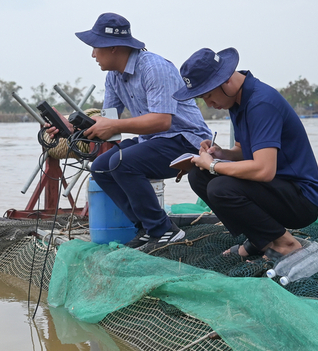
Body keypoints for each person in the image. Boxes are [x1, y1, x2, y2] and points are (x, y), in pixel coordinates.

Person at [49, 13, 212, 252]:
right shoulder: (113, 77)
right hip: (155, 140)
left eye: (95, 47)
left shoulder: (155, 68)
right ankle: (147, 228)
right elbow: (109, 119)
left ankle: (165, 231)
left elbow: (162, 121)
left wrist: (113, 126)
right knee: (101, 167)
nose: (93, 54)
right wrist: (71, 126)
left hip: (186, 141)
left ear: (113, 47)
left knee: (122, 162)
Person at [173, 48, 318, 258]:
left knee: (220, 187)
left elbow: (264, 170)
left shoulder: (261, 103)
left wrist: (213, 165)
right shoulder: (237, 101)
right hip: (275, 189)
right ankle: (260, 240)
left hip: (301, 198)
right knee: (199, 176)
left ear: (225, 80)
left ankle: (286, 244)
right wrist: (221, 154)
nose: (208, 104)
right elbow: (242, 151)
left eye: (208, 95)